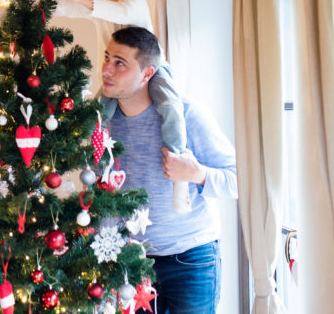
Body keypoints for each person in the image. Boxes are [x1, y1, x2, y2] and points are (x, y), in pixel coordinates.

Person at [41, 0, 191, 212]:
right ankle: (98, 175)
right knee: (95, 117)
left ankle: (178, 164)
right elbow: (67, 9)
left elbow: (119, 13)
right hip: (115, 77)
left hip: (152, 70)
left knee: (171, 107)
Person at [100, 26, 238, 314]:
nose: (106, 70)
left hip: (190, 260)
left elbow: (239, 181)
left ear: (147, 73)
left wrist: (196, 174)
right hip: (130, 264)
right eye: (107, 58)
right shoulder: (100, 123)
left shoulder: (188, 115)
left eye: (119, 63)